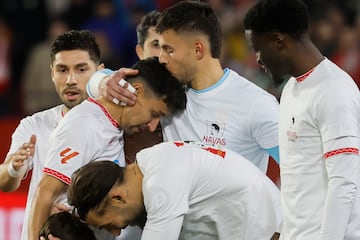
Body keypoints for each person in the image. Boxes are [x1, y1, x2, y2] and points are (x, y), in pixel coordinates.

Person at [87, 1, 280, 173]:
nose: (161, 58)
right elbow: (93, 82)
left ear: (198, 50)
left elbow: (298, 169)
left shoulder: (256, 104)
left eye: (169, 50)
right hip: (172, 212)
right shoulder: (164, 91)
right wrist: (103, 82)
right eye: (159, 48)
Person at [28, 57, 187, 240]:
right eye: (154, 114)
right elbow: (45, 192)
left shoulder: (110, 126)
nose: (152, 126)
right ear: (136, 91)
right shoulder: (86, 124)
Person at [243, 0, 360, 239]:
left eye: (257, 48)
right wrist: (281, 231)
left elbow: (345, 183)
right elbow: (295, 175)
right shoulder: (291, 89)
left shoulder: (334, 91)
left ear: (278, 41)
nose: (257, 59)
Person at [0, 30, 105, 240]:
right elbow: (5, 183)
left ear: (100, 72)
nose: (70, 79)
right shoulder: (34, 125)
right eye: (62, 70)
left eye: (81, 69)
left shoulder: (116, 127)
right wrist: (13, 168)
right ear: (52, 73)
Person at [68, 141, 281, 240]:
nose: (116, 231)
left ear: (117, 198)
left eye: (109, 225)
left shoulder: (160, 186)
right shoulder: (150, 162)